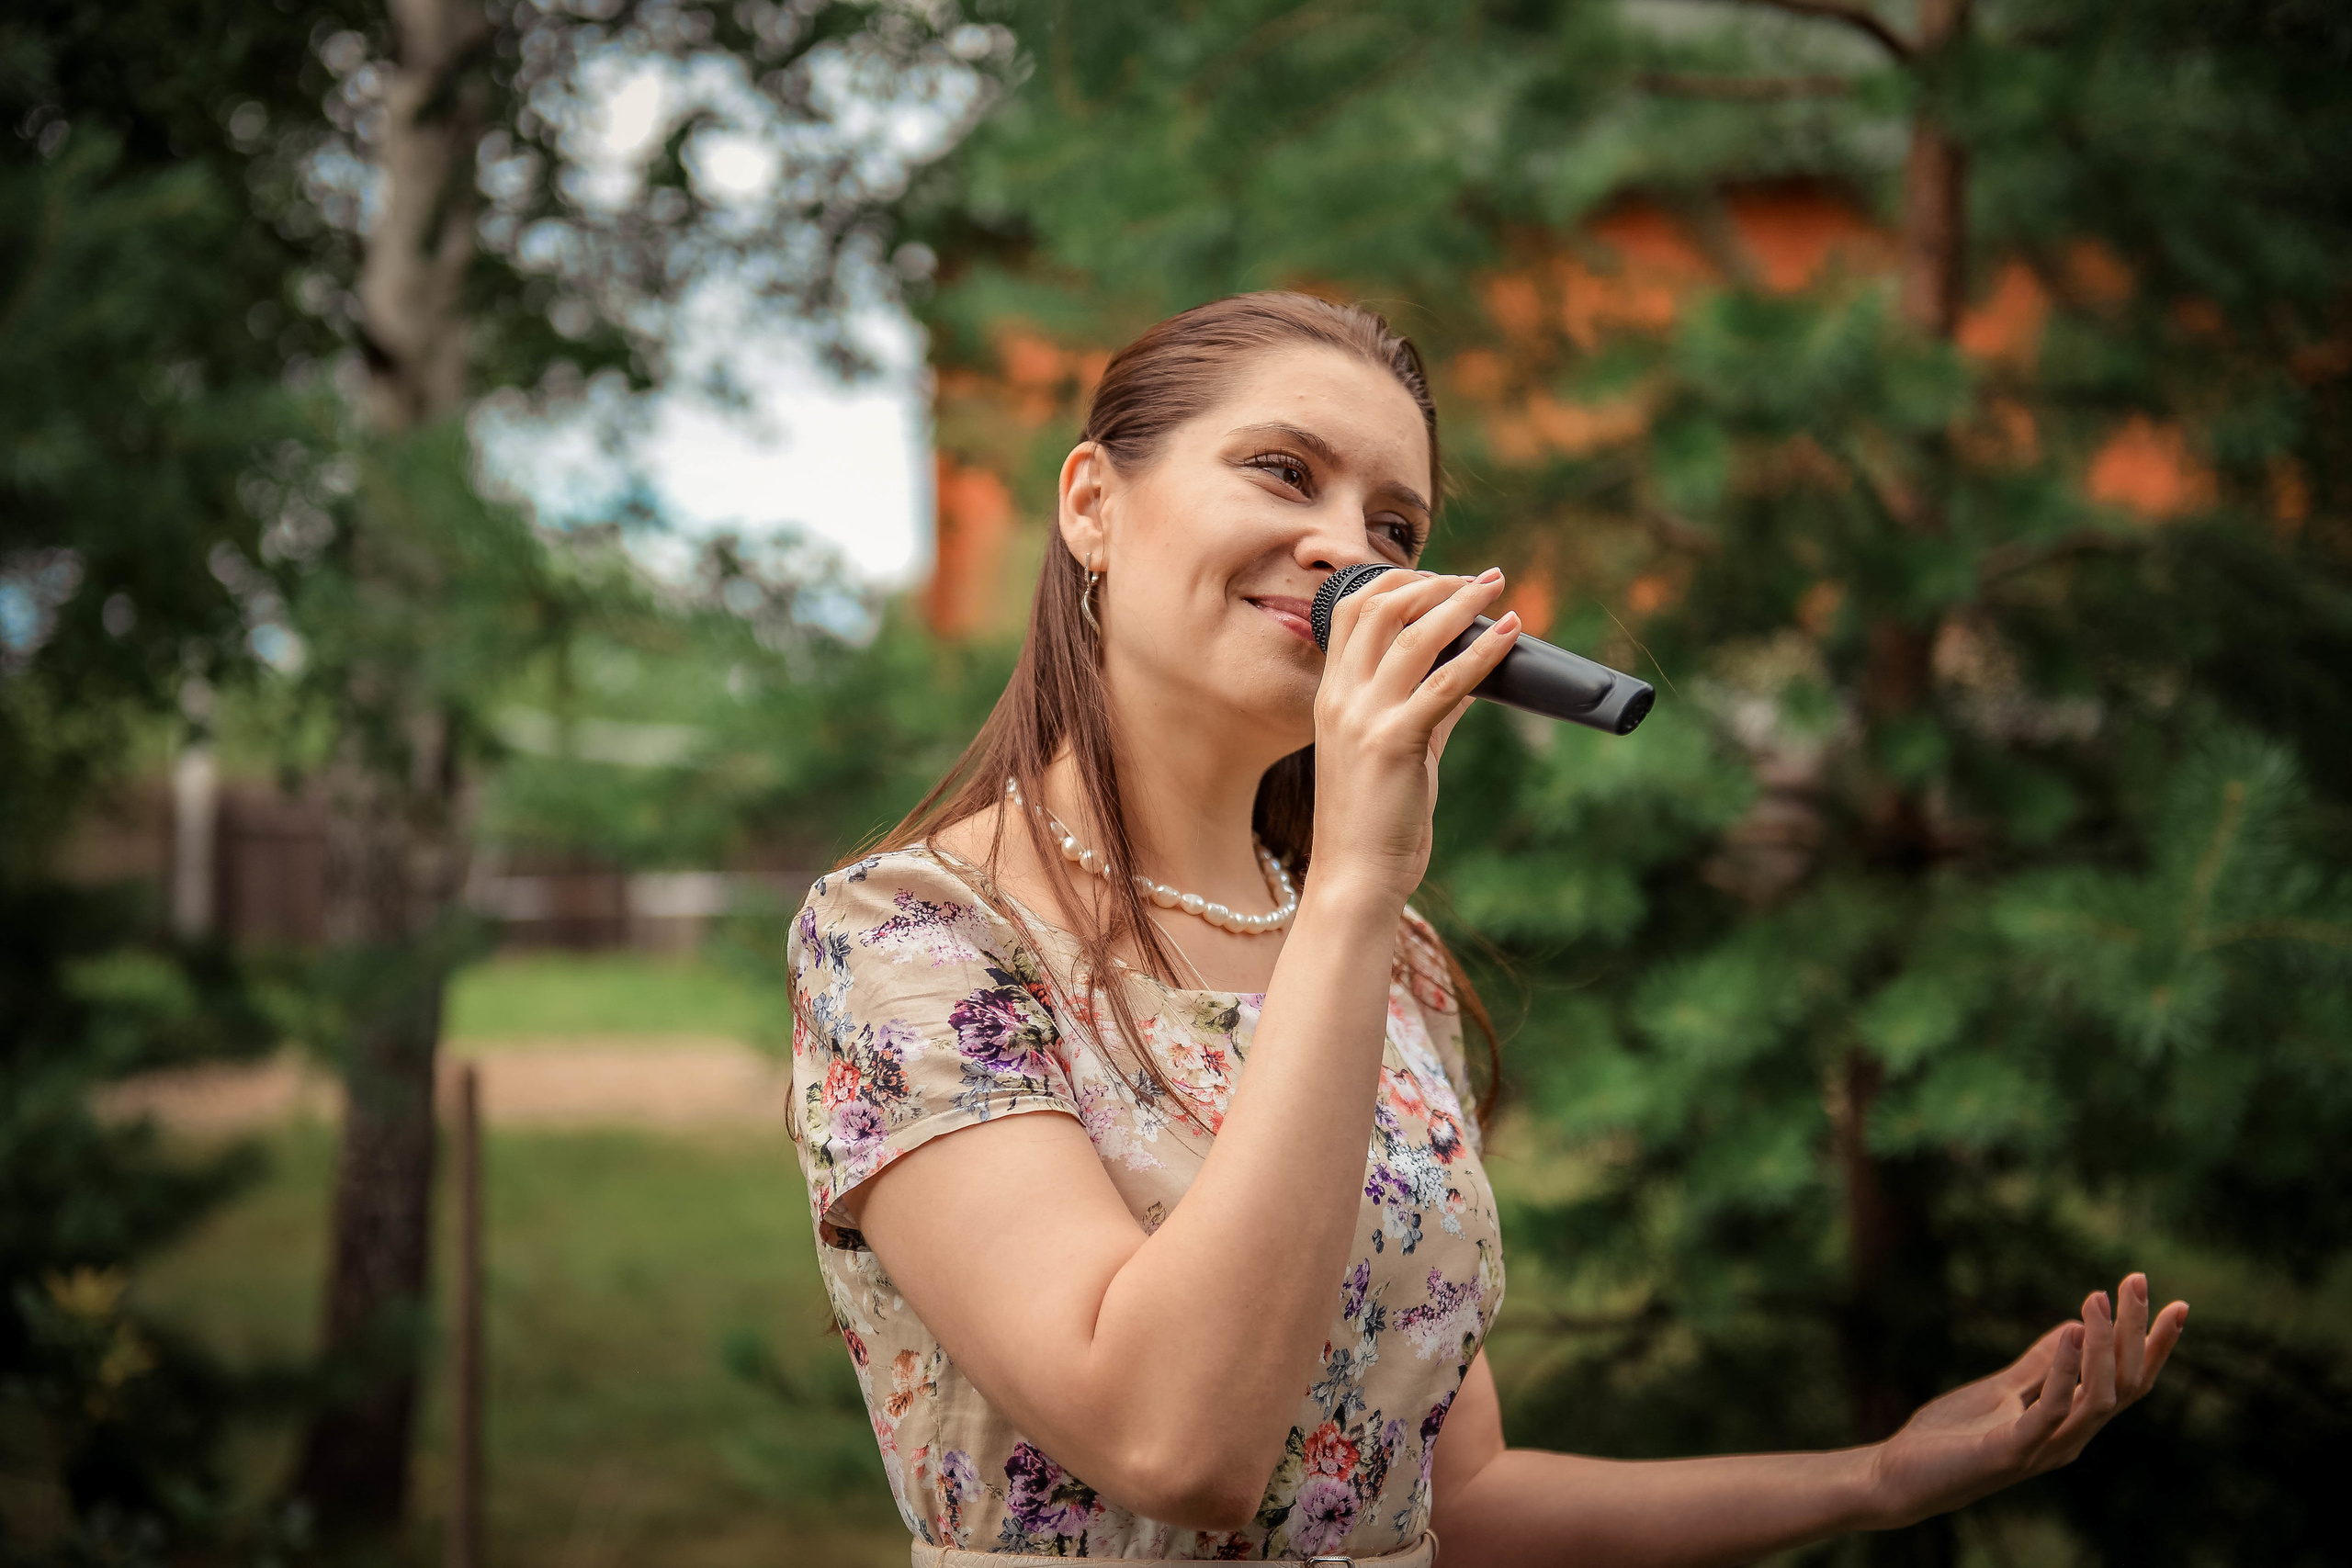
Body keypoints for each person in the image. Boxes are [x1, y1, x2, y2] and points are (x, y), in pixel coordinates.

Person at [786, 292, 2188, 1566]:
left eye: (1397, 528)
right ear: (1093, 504)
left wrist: (1874, 1480)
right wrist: (1355, 883)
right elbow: (1175, 1449)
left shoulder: (1389, 964)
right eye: (1282, 471)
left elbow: (1451, 1499)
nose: (1351, 551)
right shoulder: (914, 938)